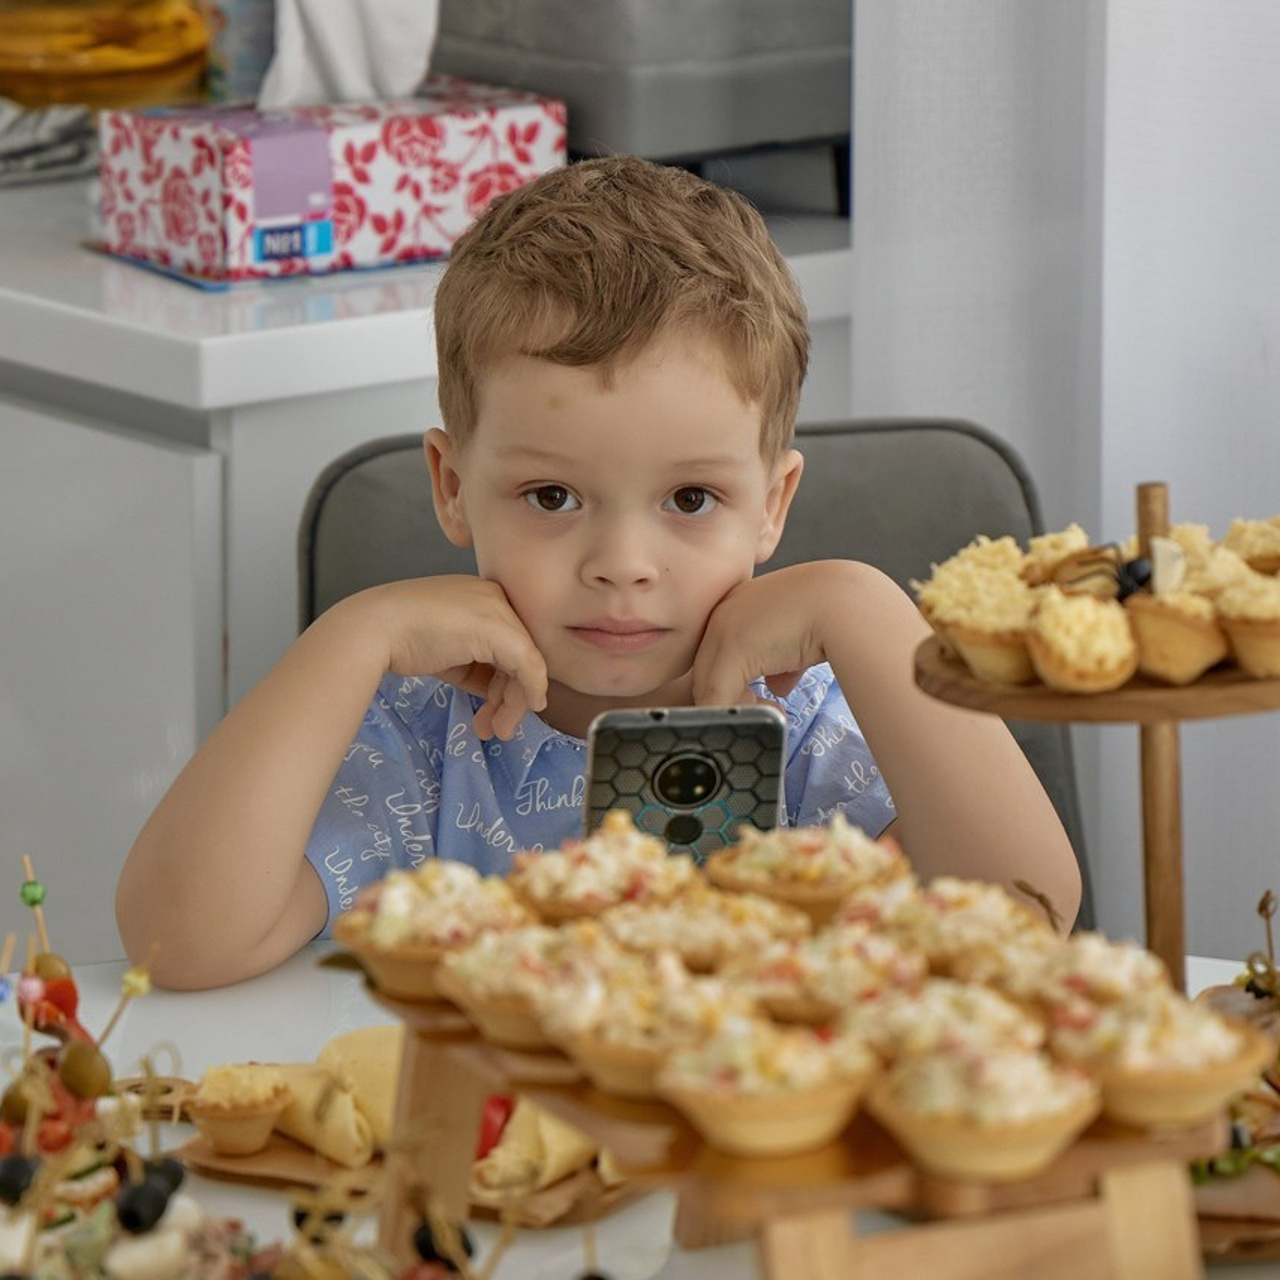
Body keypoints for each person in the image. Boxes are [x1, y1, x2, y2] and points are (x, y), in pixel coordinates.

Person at [116, 156, 1081, 990]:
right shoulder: (416, 739)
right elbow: (178, 942)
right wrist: (354, 634)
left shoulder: (817, 723)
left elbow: (1025, 918)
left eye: (691, 500)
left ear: (773, 506)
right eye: (551, 497)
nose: (623, 567)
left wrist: (865, 607)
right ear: (453, 488)